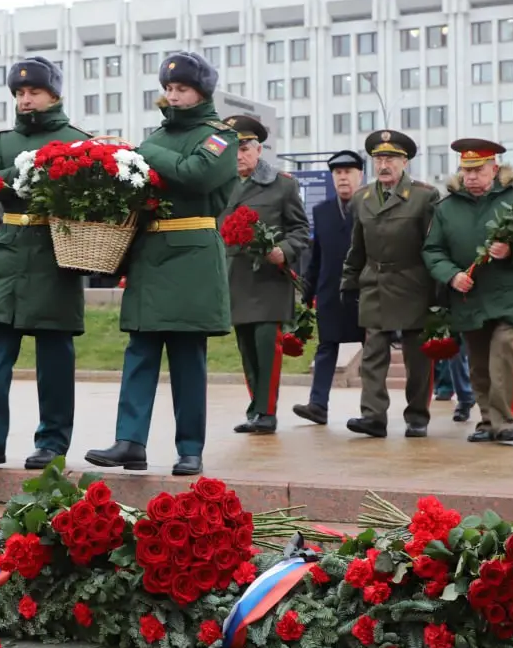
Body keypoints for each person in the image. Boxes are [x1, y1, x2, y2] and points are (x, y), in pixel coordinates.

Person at [85, 52, 238, 476]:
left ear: (201, 92)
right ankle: (129, 441)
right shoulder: (157, 137)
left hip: (192, 255)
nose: (173, 96)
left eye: (182, 89)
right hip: (150, 255)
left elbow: (197, 174)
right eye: (168, 89)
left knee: (189, 360)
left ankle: (190, 448)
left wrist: (144, 152)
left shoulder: (221, 137)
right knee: (140, 353)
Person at [0, 55, 87, 470]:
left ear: (54, 94)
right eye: (20, 93)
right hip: (8, 253)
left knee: (55, 356)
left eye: (34, 92)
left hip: (55, 253)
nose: (25, 100)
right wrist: (21, 172)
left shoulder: (79, 140)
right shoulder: (1, 141)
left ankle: (52, 443)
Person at [423, 139, 513, 444]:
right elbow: (433, 250)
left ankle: (506, 421)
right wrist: (452, 276)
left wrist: (511, 251)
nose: (472, 176)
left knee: (502, 349)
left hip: (509, 296)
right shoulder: (447, 208)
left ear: (494, 168)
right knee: (478, 361)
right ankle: (488, 419)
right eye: (467, 170)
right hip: (469, 296)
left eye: (478, 169)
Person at [338, 130, 439, 439]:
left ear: (404, 162)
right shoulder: (362, 198)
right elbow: (357, 244)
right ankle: (373, 416)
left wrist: (439, 292)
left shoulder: (424, 196)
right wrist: (349, 279)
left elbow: (433, 245)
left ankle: (417, 415)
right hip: (375, 283)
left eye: (391, 158)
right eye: (379, 158)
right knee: (373, 353)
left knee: (417, 356)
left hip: (412, 282)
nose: (384, 164)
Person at [220, 115, 309, 435]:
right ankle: (256, 407)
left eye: (244, 148)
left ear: (258, 150)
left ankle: (267, 412)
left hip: (269, 278)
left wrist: (284, 249)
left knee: (265, 346)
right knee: (246, 346)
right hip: (235, 276)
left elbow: (301, 229)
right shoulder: (221, 185)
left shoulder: (282, 184)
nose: (239, 155)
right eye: (234, 148)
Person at [292, 149, 366, 426]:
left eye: (348, 172)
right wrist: (307, 292)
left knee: (370, 349)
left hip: (363, 293)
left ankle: (370, 410)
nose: (342, 178)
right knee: (326, 347)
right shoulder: (322, 211)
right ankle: (317, 404)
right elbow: (316, 256)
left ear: (360, 175)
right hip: (330, 293)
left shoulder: (370, 208)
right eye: (337, 173)